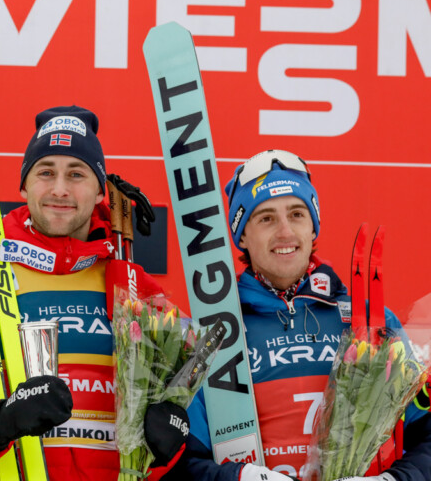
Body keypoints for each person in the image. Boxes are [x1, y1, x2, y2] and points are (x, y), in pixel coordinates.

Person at [0, 106, 189, 480]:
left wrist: (170, 444)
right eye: (45, 173)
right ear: (24, 185)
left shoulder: (139, 291)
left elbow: (165, 452)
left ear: (99, 189)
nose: (60, 189)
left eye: (76, 174)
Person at [167, 150, 431, 481]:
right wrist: (244, 478)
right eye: (265, 218)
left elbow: (427, 437)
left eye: (296, 214)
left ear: (313, 227)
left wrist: (392, 480)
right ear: (242, 236)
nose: (285, 232)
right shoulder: (214, 332)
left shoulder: (370, 321)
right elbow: (183, 463)